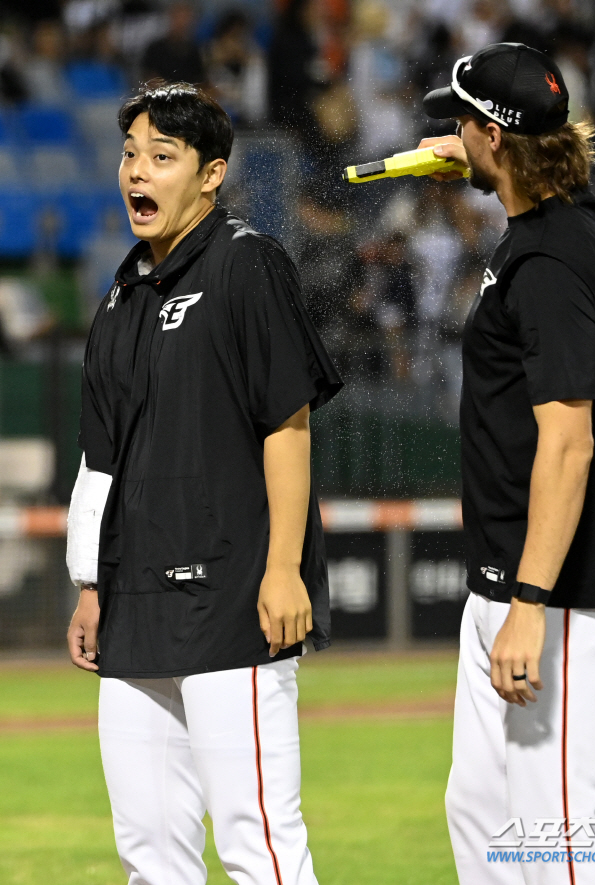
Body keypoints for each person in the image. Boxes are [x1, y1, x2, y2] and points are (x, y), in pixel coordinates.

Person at [65, 81, 342, 885]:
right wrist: (90, 583)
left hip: (230, 605)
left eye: (161, 156)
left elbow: (287, 426)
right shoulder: (120, 293)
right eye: (128, 155)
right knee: (150, 854)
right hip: (135, 611)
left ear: (211, 173)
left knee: (261, 847)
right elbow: (100, 459)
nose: (136, 173)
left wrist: (284, 568)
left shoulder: (245, 263)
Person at [420, 43, 595, 884]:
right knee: (480, 811)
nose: (448, 131)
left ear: (492, 135)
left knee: (552, 829)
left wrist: (528, 603)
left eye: (461, 122)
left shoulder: (548, 263)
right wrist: (475, 157)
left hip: (556, 588)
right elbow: (541, 169)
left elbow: (568, 441)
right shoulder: (575, 217)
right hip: (518, 574)